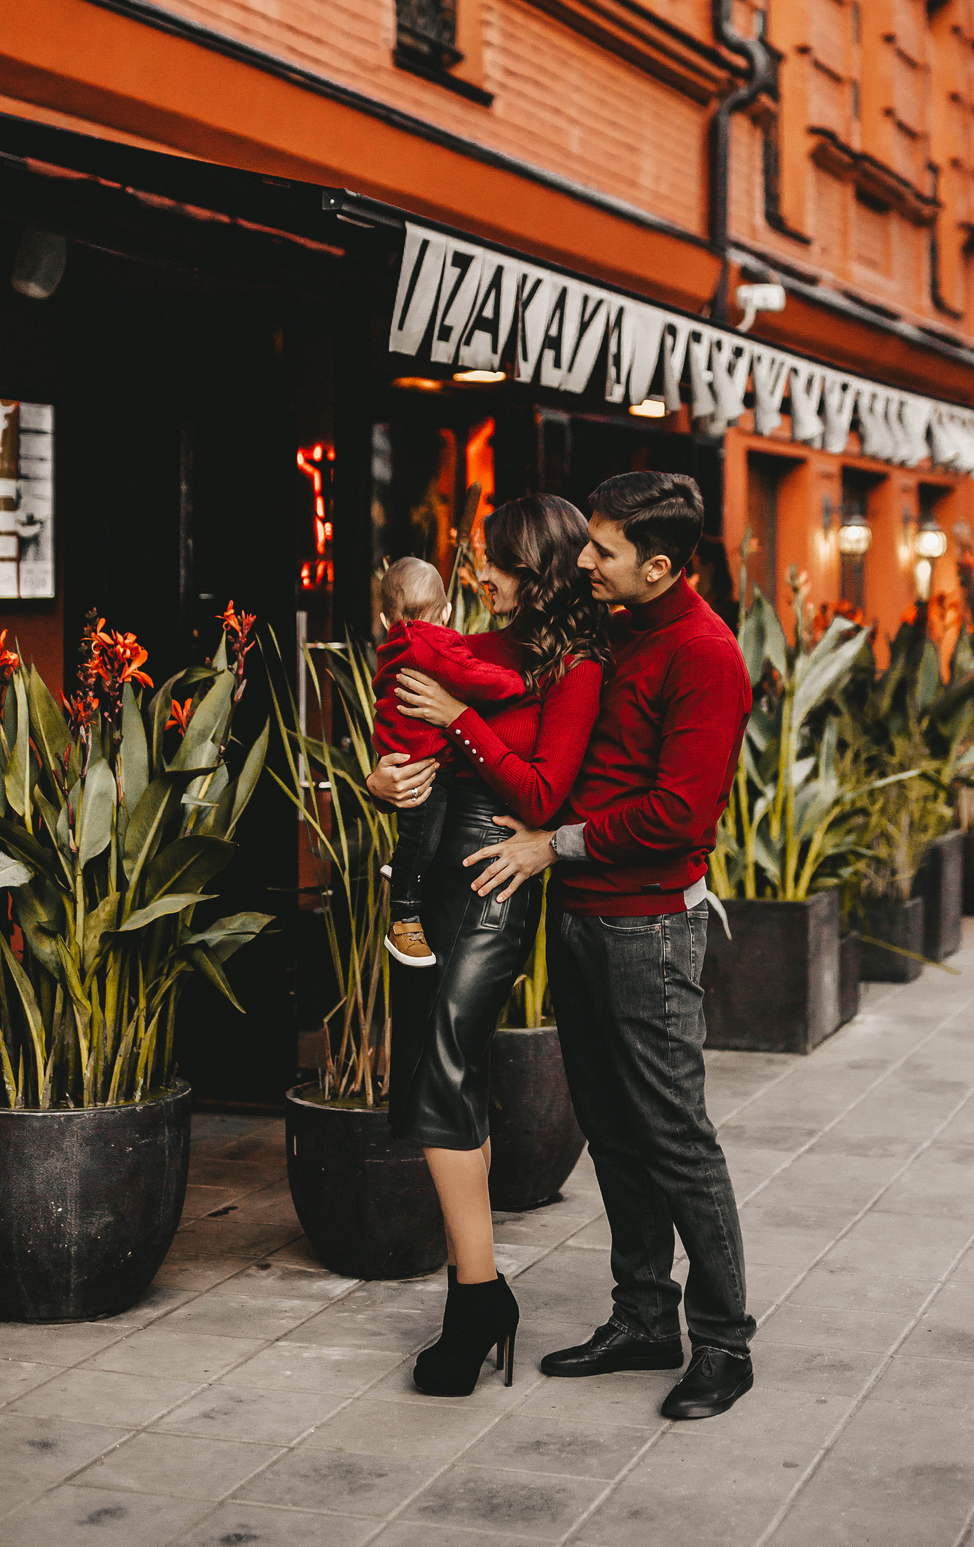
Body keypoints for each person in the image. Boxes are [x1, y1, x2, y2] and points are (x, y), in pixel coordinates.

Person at [461, 471, 756, 1422]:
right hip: (581, 915)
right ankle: (644, 1318)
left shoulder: (705, 656)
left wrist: (555, 844)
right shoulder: (614, 630)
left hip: (650, 925)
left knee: (676, 1137)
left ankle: (723, 1343)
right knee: (612, 1128)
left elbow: (679, 814)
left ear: (659, 566)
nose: (583, 560)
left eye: (603, 549)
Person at [367, 496, 609, 1398]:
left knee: (444, 1071)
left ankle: (476, 1298)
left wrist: (459, 717)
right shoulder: (473, 647)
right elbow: (405, 743)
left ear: (534, 571)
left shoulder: (577, 667)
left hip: (496, 880)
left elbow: (544, 796)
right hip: (434, 871)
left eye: (496, 563)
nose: (480, 576)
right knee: (442, 1080)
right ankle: (474, 1293)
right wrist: (381, 778)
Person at [374, 556, 526, 967]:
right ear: (447, 612)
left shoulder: (393, 648)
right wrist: (518, 682)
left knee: (418, 836)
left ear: (386, 619)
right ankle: (404, 921)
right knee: (424, 836)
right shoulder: (436, 645)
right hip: (424, 766)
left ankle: (403, 865)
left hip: (402, 756)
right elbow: (475, 677)